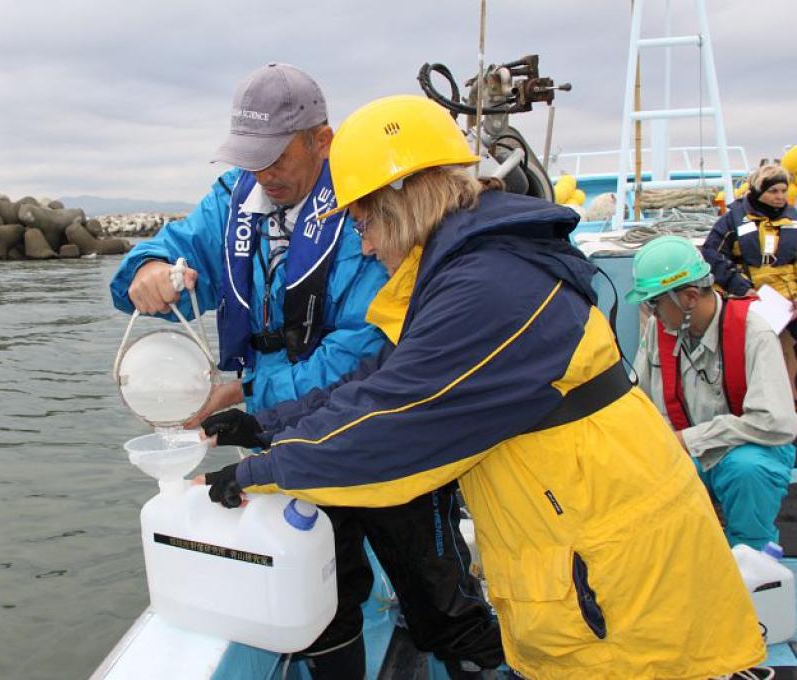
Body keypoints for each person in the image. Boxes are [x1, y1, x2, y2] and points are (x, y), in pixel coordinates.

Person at [199, 94, 766, 678]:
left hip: (614, 574)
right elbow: (380, 381)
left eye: (364, 223)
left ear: (402, 199)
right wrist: (266, 426)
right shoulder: (470, 266)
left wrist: (257, 472)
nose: (364, 244)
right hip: (582, 548)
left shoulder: (488, 284)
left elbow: (395, 425)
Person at [110, 65, 502, 679]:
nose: (263, 171)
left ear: (322, 139)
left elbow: (364, 350)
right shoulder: (233, 201)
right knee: (325, 590)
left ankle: (469, 655)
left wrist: (251, 395)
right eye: (249, 156)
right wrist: (149, 271)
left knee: (433, 586)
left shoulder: (368, 201)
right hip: (280, 423)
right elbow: (171, 252)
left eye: (275, 154)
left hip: (374, 421)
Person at [629, 235, 797, 549]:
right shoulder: (659, 330)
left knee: (746, 470)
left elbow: (777, 423)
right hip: (687, 450)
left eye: (655, 302)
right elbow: (638, 401)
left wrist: (689, 439)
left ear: (689, 297)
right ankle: (686, 558)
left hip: (753, 448)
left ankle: (754, 559)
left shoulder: (754, 331)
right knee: (654, 469)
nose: (652, 312)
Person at [702, 164, 797, 398]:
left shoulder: (793, 219)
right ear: (758, 190)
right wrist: (742, 287)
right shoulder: (733, 220)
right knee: (756, 353)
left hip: (789, 305)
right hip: (751, 300)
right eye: (774, 191)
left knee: (790, 353)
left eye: (783, 191)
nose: (780, 197)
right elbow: (712, 253)